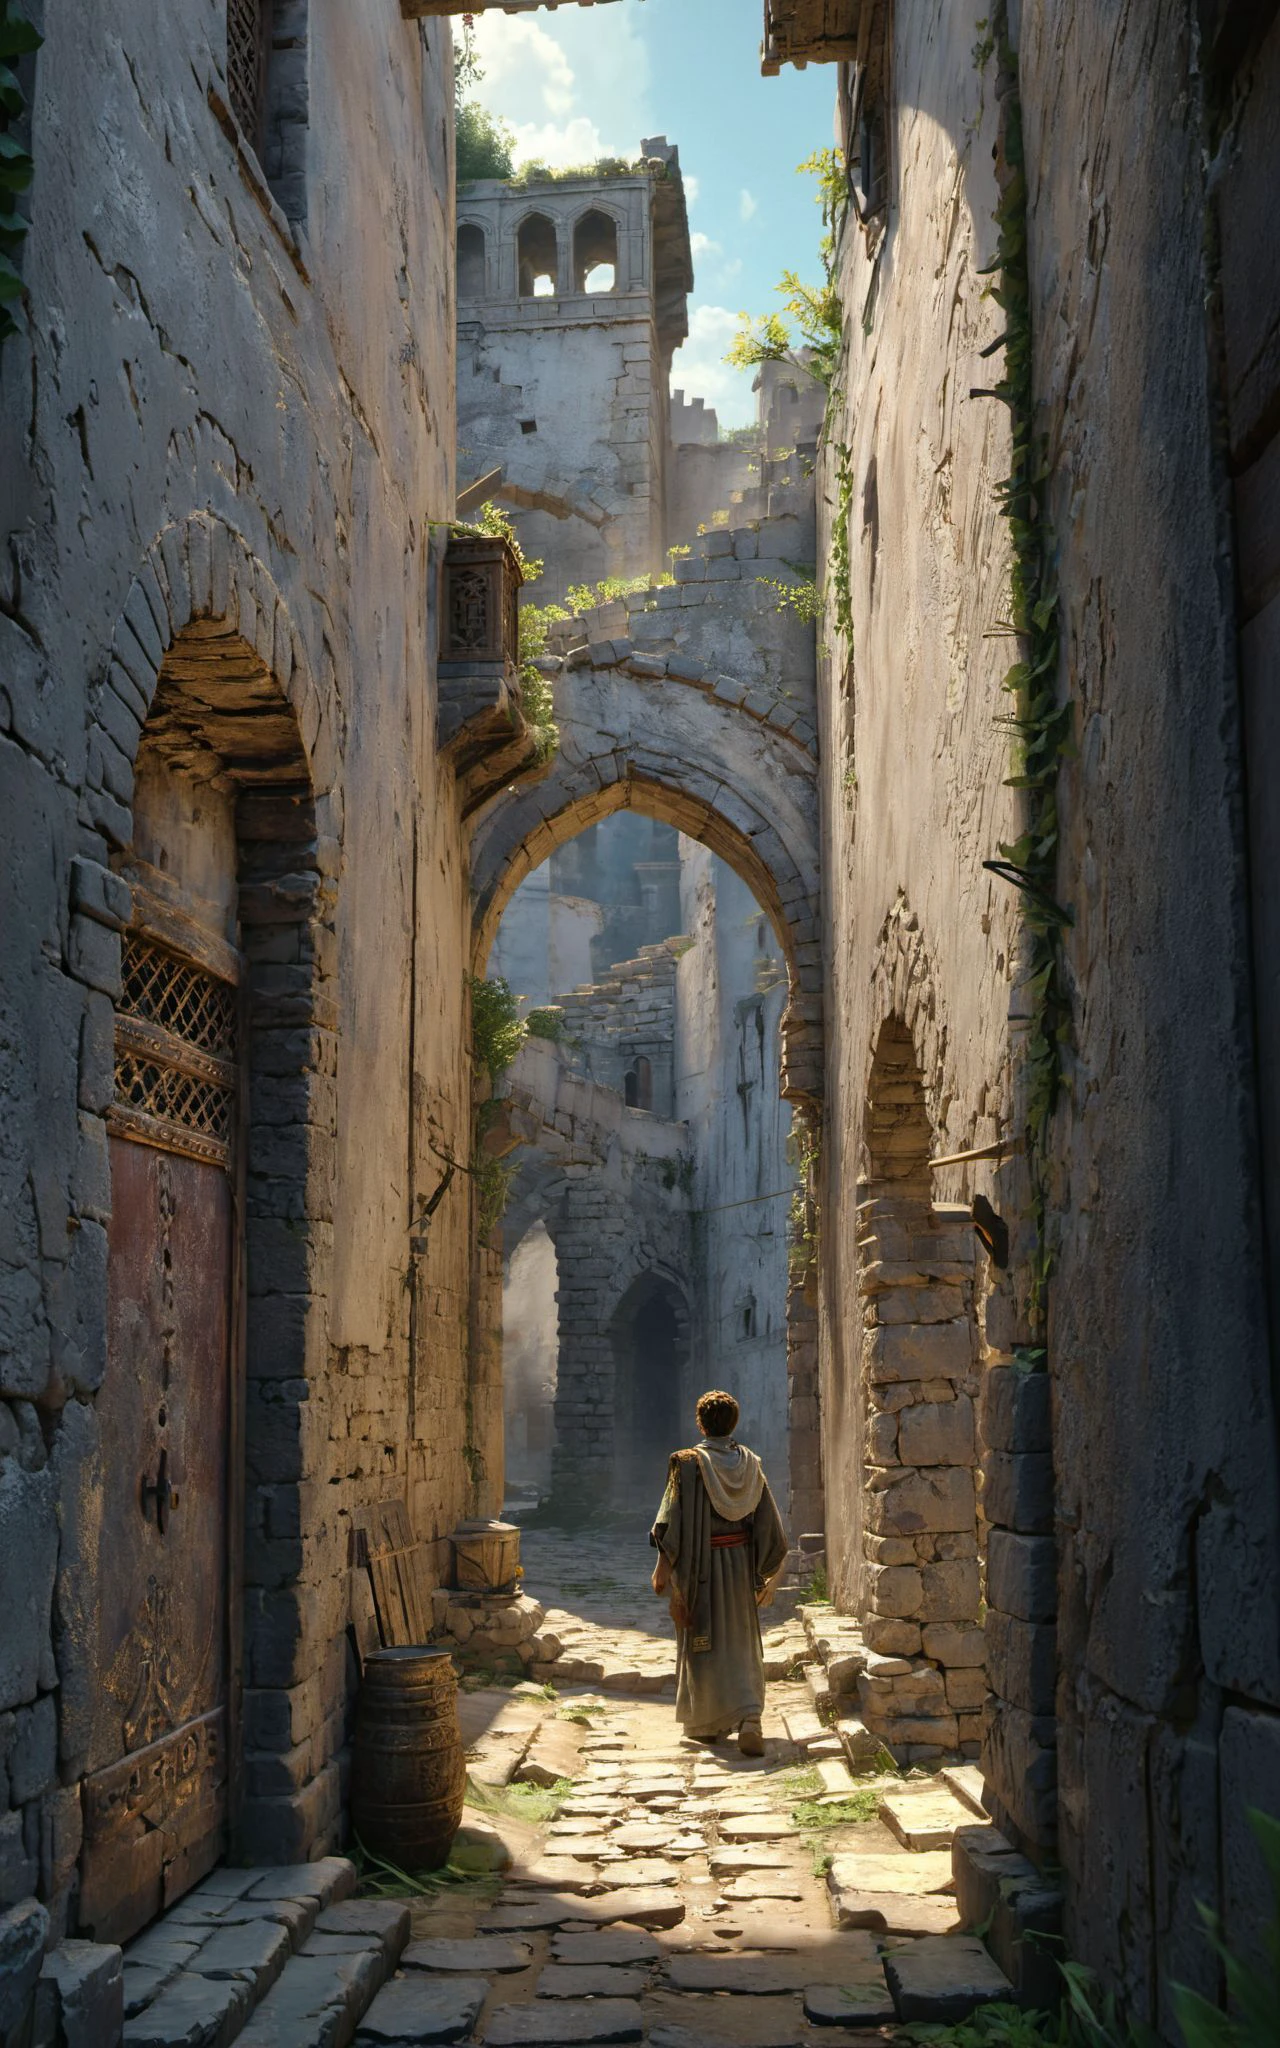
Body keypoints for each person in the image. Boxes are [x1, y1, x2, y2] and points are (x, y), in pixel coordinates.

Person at [649, 1388, 789, 1756]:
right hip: (740, 1568)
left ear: (700, 1422)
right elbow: (768, 1526)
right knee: (742, 1643)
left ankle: (710, 1722)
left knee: (704, 1644)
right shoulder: (751, 1464)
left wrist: (663, 1566)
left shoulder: (688, 1464)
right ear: (735, 1422)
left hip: (701, 1571)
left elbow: (670, 1521)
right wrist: (765, 1574)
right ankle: (750, 1718)